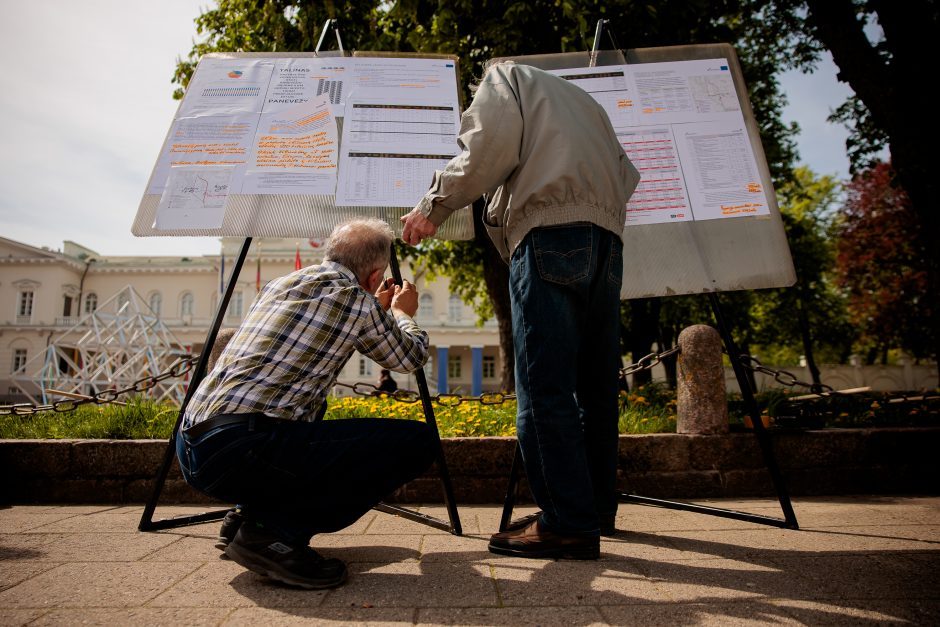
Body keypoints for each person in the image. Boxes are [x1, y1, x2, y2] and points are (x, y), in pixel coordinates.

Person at [401, 61, 640, 560]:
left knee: (544, 386)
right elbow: (628, 172)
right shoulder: (585, 103)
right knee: (597, 390)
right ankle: (593, 510)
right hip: (607, 243)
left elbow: (487, 146)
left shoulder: (503, 76)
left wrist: (433, 205)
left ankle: (567, 524)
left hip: (548, 232)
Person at [176, 218, 436, 589]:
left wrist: (372, 309)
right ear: (376, 273)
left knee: (305, 410)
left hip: (192, 446)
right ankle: (271, 534)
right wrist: (400, 315)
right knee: (417, 442)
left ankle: (246, 516)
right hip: (242, 449)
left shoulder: (280, 284)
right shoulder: (358, 302)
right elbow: (409, 357)